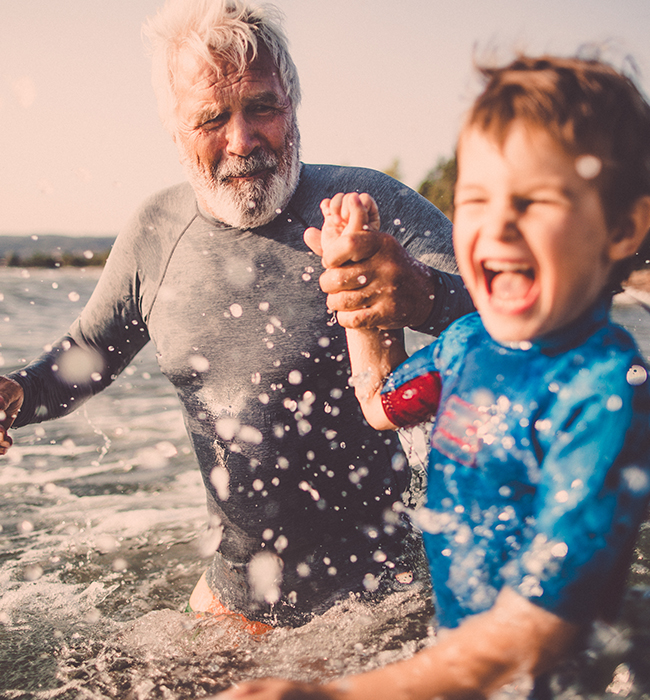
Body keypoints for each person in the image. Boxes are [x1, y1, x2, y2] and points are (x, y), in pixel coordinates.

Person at [0, 0, 472, 630]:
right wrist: (15, 395)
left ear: (293, 107)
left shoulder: (367, 205)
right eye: (211, 118)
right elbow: (85, 355)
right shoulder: (154, 234)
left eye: (262, 108)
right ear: (174, 132)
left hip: (390, 605)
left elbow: (513, 313)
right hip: (234, 605)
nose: (243, 139)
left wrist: (420, 295)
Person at [221, 54, 650, 698]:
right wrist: (359, 292)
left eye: (536, 200)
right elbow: (379, 402)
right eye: (476, 199)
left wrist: (341, 693)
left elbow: (541, 626)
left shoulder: (605, 392)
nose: (498, 225)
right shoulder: (467, 346)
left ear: (623, 229)